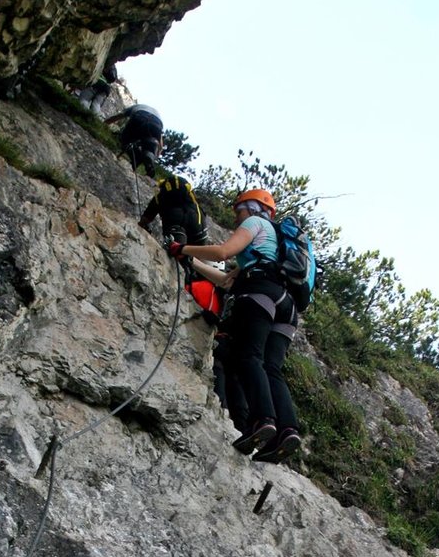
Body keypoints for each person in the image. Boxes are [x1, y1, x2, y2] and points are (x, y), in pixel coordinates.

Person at [169, 189, 302, 462]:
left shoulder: (255, 224)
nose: (236, 215)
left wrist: (180, 248)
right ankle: (286, 432)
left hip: (261, 293)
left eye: (238, 209)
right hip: (287, 307)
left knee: (249, 357)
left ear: (252, 207)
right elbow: (228, 280)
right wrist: (190, 260)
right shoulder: (276, 246)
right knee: (271, 368)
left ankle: (263, 420)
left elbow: (222, 251)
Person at [138, 173, 208, 246]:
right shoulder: (192, 201)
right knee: (196, 253)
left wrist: (141, 226)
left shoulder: (160, 198)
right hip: (198, 223)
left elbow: (146, 218)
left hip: (175, 223)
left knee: (177, 251)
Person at [104, 104, 164, 176]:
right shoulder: (157, 114)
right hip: (157, 124)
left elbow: (117, 117)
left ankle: (137, 156)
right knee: (149, 144)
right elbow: (160, 145)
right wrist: (156, 156)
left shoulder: (137, 106)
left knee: (125, 139)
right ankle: (148, 154)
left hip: (140, 116)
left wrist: (104, 123)